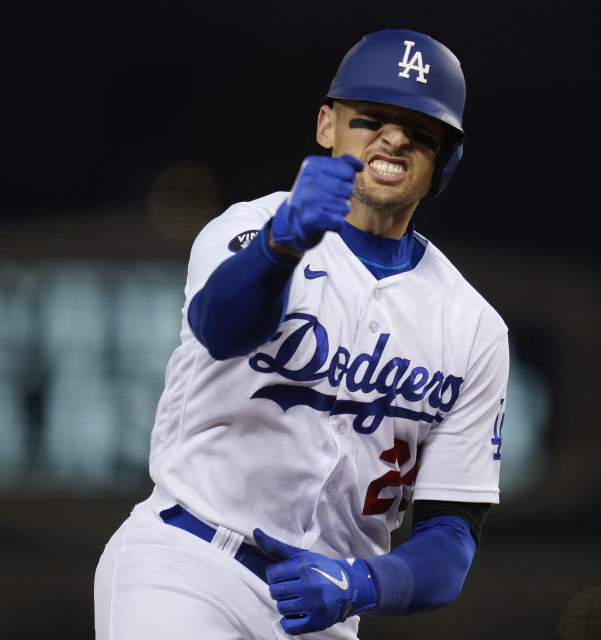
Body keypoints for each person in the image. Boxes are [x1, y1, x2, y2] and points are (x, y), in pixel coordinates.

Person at [94, 29, 509, 640]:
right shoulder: (248, 228)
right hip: (188, 562)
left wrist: (361, 585)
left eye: (421, 130)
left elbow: (449, 541)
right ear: (326, 126)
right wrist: (281, 244)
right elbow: (222, 327)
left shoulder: (473, 327)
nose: (393, 137)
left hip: (326, 610)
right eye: (371, 118)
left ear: (444, 159)